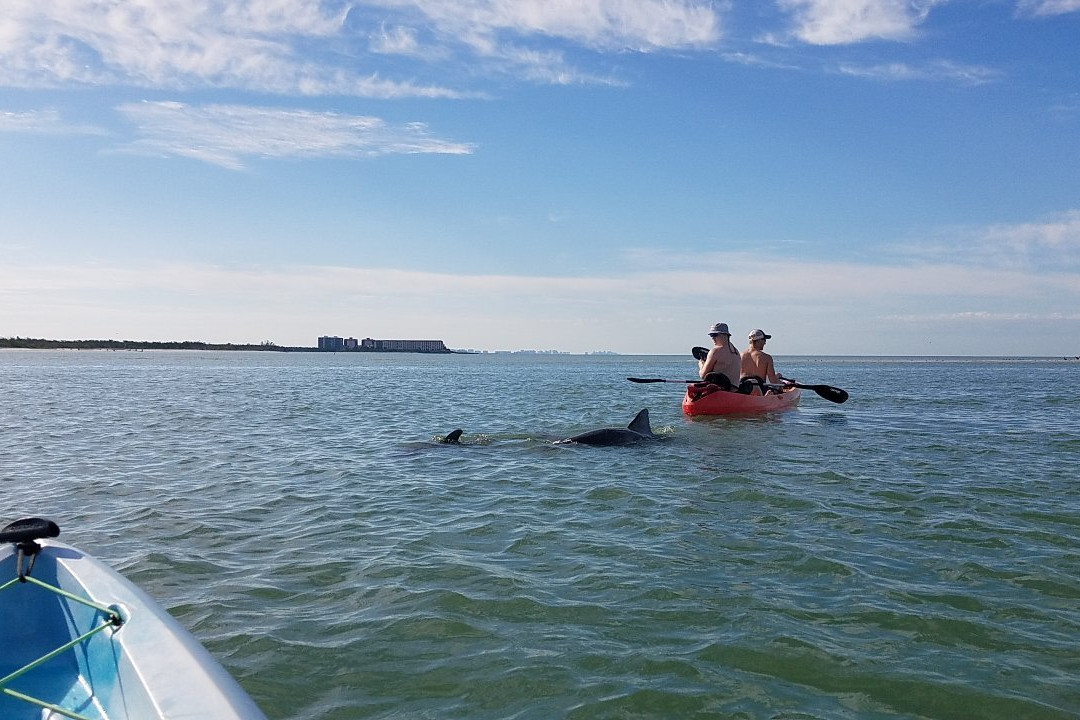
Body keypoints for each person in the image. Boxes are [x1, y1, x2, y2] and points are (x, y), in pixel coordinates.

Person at [698, 322, 742, 389]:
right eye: (711, 335)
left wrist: (701, 364)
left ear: (725, 335)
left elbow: (703, 375)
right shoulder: (736, 352)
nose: (712, 338)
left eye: (715, 335)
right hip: (735, 391)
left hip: (720, 392)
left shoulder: (715, 351)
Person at [740, 329, 778, 394]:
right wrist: (779, 381)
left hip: (743, 389)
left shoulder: (739, 355)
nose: (765, 343)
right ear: (759, 341)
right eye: (764, 340)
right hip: (760, 390)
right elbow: (773, 381)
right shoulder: (767, 358)